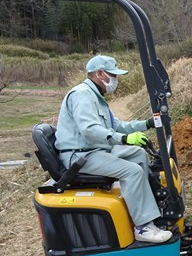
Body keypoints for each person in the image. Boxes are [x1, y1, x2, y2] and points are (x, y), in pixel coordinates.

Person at [55, 55, 172, 244]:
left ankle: (147, 209)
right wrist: (124, 139)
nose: (115, 80)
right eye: (113, 75)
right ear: (100, 73)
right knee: (132, 171)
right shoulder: (82, 95)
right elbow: (90, 131)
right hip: (81, 156)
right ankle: (143, 227)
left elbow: (116, 125)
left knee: (138, 154)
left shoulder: (96, 96)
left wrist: (147, 124)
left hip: (93, 151)